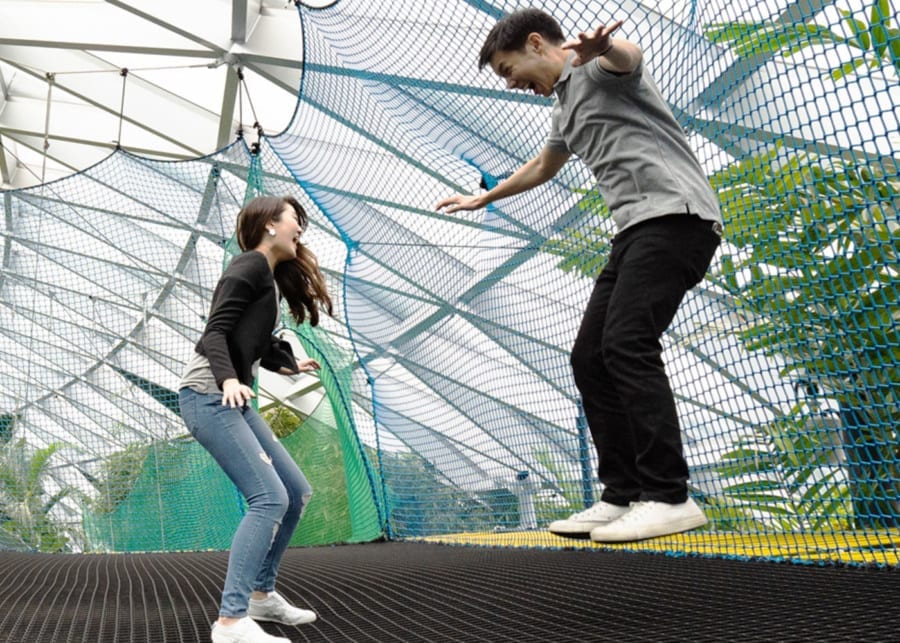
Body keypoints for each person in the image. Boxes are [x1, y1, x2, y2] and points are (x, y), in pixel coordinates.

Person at [436, 9, 723, 543]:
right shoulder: (564, 107)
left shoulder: (595, 70)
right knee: (590, 356)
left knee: (627, 342)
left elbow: (629, 58)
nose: (511, 83)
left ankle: (670, 495)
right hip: (635, 231)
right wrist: (485, 197)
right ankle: (623, 494)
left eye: (507, 68)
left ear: (538, 44)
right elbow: (543, 166)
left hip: (676, 218)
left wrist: (604, 48)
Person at [178, 195, 333, 643]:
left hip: (232, 399)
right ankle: (230, 622)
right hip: (209, 395)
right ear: (269, 225)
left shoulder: (264, 276)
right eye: (293, 221)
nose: (299, 229)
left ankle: (261, 595)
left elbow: (253, 339)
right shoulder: (247, 265)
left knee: (296, 492)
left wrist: (286, 363)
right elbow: (216, 332)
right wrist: (228, 380)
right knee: (268, 498)